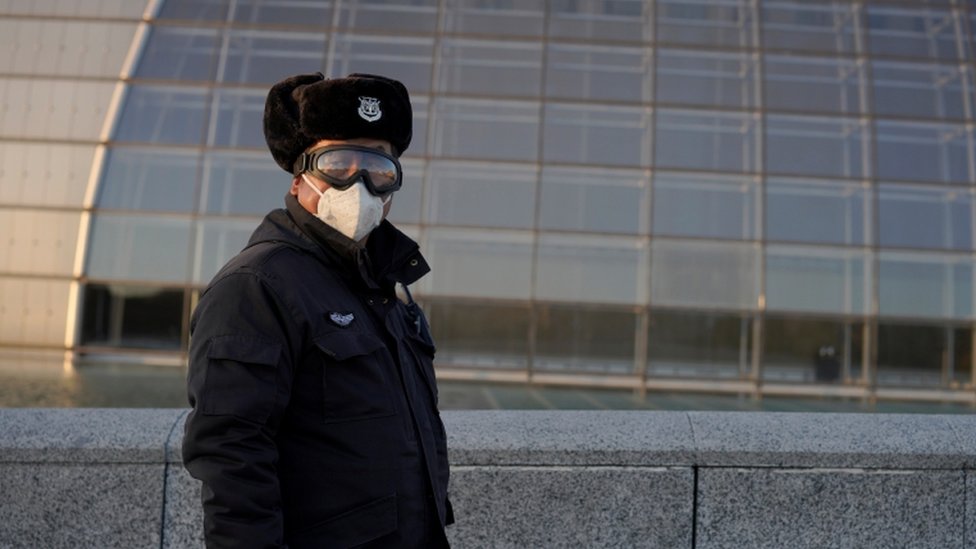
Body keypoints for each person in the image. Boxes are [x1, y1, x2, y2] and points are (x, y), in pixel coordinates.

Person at [182, 72, 453, 548]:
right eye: (339, 163)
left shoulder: (381, 286)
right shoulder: (257, 286)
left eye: (379, 167)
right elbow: (231, 458)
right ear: (300, 175)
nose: (360, 185)